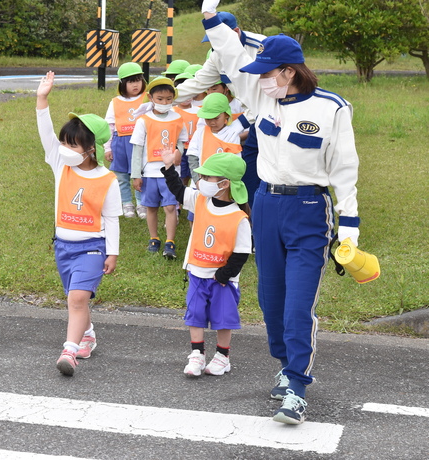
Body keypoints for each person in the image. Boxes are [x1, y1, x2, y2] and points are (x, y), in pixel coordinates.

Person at [200, 0, 361, 424]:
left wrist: (350, 229)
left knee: (298, 305)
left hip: (309, 209)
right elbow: (233, 55)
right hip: (266, 207)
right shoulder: (259, 94)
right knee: (271, 301)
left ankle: (297, 386)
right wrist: (209, 17)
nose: (259, 80)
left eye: (268, 72)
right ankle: (284, 364)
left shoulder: (333, 108)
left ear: (289, 71)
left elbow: (345, 171)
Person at [36, 71, 122, 376]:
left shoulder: (107, 179)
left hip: (92, 248)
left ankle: (68, 352)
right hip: (64, 247)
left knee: (76, 298)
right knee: (76, 299)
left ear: (92, 149)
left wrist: (112, 252)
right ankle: (86, 334)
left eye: (72, 145)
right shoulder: (60, 165)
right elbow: (45, 134)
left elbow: (111, 218)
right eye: (63, 142)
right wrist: (42, 99)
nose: (64, 149)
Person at [160, 150, 251, 377]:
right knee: (196, 314)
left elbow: (241, 254)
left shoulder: (239, 218)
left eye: (207, 177)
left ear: (224, 184)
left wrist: (223, 275)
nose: (201, 181)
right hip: (197, 273)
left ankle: (222, 356)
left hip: (222, 280)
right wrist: (169, 167)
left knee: (223, 318)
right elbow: (179, 191)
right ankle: (197, 355)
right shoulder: (200, 200)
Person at [176, 10, 265, 208]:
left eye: (219, 38)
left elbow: (262, 100)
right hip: (250, 125)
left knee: (271, 176)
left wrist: (236, 126)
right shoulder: (218, 55)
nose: (216, 45)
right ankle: (247, 223)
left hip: (270, 119)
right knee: (248, 177)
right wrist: (168, 97)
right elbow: (198, 82)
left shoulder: (261, 48)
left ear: (235, 32)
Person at [130, 77, 189, 260]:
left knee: (170, 206)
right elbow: (137, 149)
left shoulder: (178, 119)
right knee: (151, 207)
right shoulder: (143, 121)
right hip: (149, 173)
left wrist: (178, 154)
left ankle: (170, 241)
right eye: (160, 99)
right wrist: (135, 174)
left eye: (169, 99)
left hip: (170, 173)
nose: (165, 103)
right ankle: (154, 237)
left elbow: (181, 143)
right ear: (150, 97)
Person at [104, 62, 147, 219]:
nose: (135, 84)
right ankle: (126, 203)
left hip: (141, 143)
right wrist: (108, 148)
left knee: (140, 174)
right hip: (120, 142)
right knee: (121, 176)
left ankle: (142, 203)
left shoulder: (147, 99)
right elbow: (109, 125)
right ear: (122, 84)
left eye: (138, 80)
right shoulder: (115, 102)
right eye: (130, 81)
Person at [186, 92, 249, 185]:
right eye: (208, 119)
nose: (212, 122)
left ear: (226, 115)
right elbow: (193, 158)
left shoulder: (231, 135)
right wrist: (197, 181)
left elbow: (235, 164)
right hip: (202, 182)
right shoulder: (200, 132)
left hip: (223, 184)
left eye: (216, 118)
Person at [172, 72, 201, 187]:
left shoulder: (199, 111)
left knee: (195, 175)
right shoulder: (173, 111)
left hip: (194, 150)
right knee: (182, 176)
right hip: (180, 149)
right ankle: (180, 199)